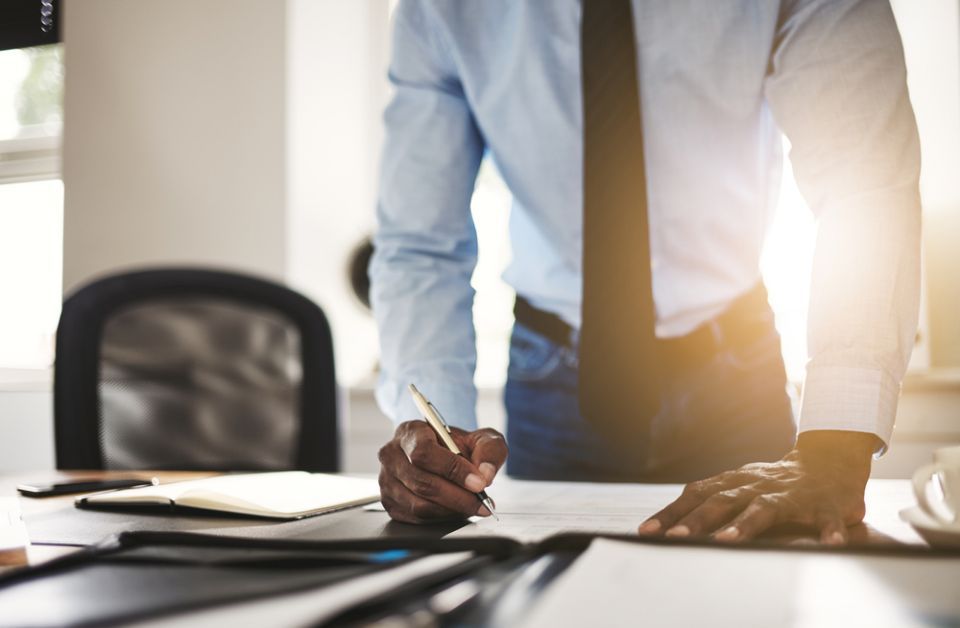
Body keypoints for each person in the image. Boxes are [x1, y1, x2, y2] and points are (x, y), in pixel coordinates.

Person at [370, 0, 920, 544]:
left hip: (737, 376)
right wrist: (437, 446)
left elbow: (863, 184)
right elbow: (422, 245)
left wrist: (835, 446)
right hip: (553, 386)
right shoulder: (437, 8)